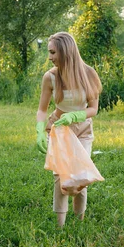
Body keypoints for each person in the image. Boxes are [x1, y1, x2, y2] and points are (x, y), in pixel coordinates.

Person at [36, 32, 102, 227]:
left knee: (80, 174)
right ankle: (60, 225)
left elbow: (94, 108)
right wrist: (40, 130)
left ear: (66, 52)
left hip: (82, 129)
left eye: (53, 52)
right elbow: (41, 109)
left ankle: (79, 220)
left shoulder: (89, 74)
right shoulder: (50, 77)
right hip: (58, 128)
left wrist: (76, 116)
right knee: (61, 176)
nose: (50, 57)